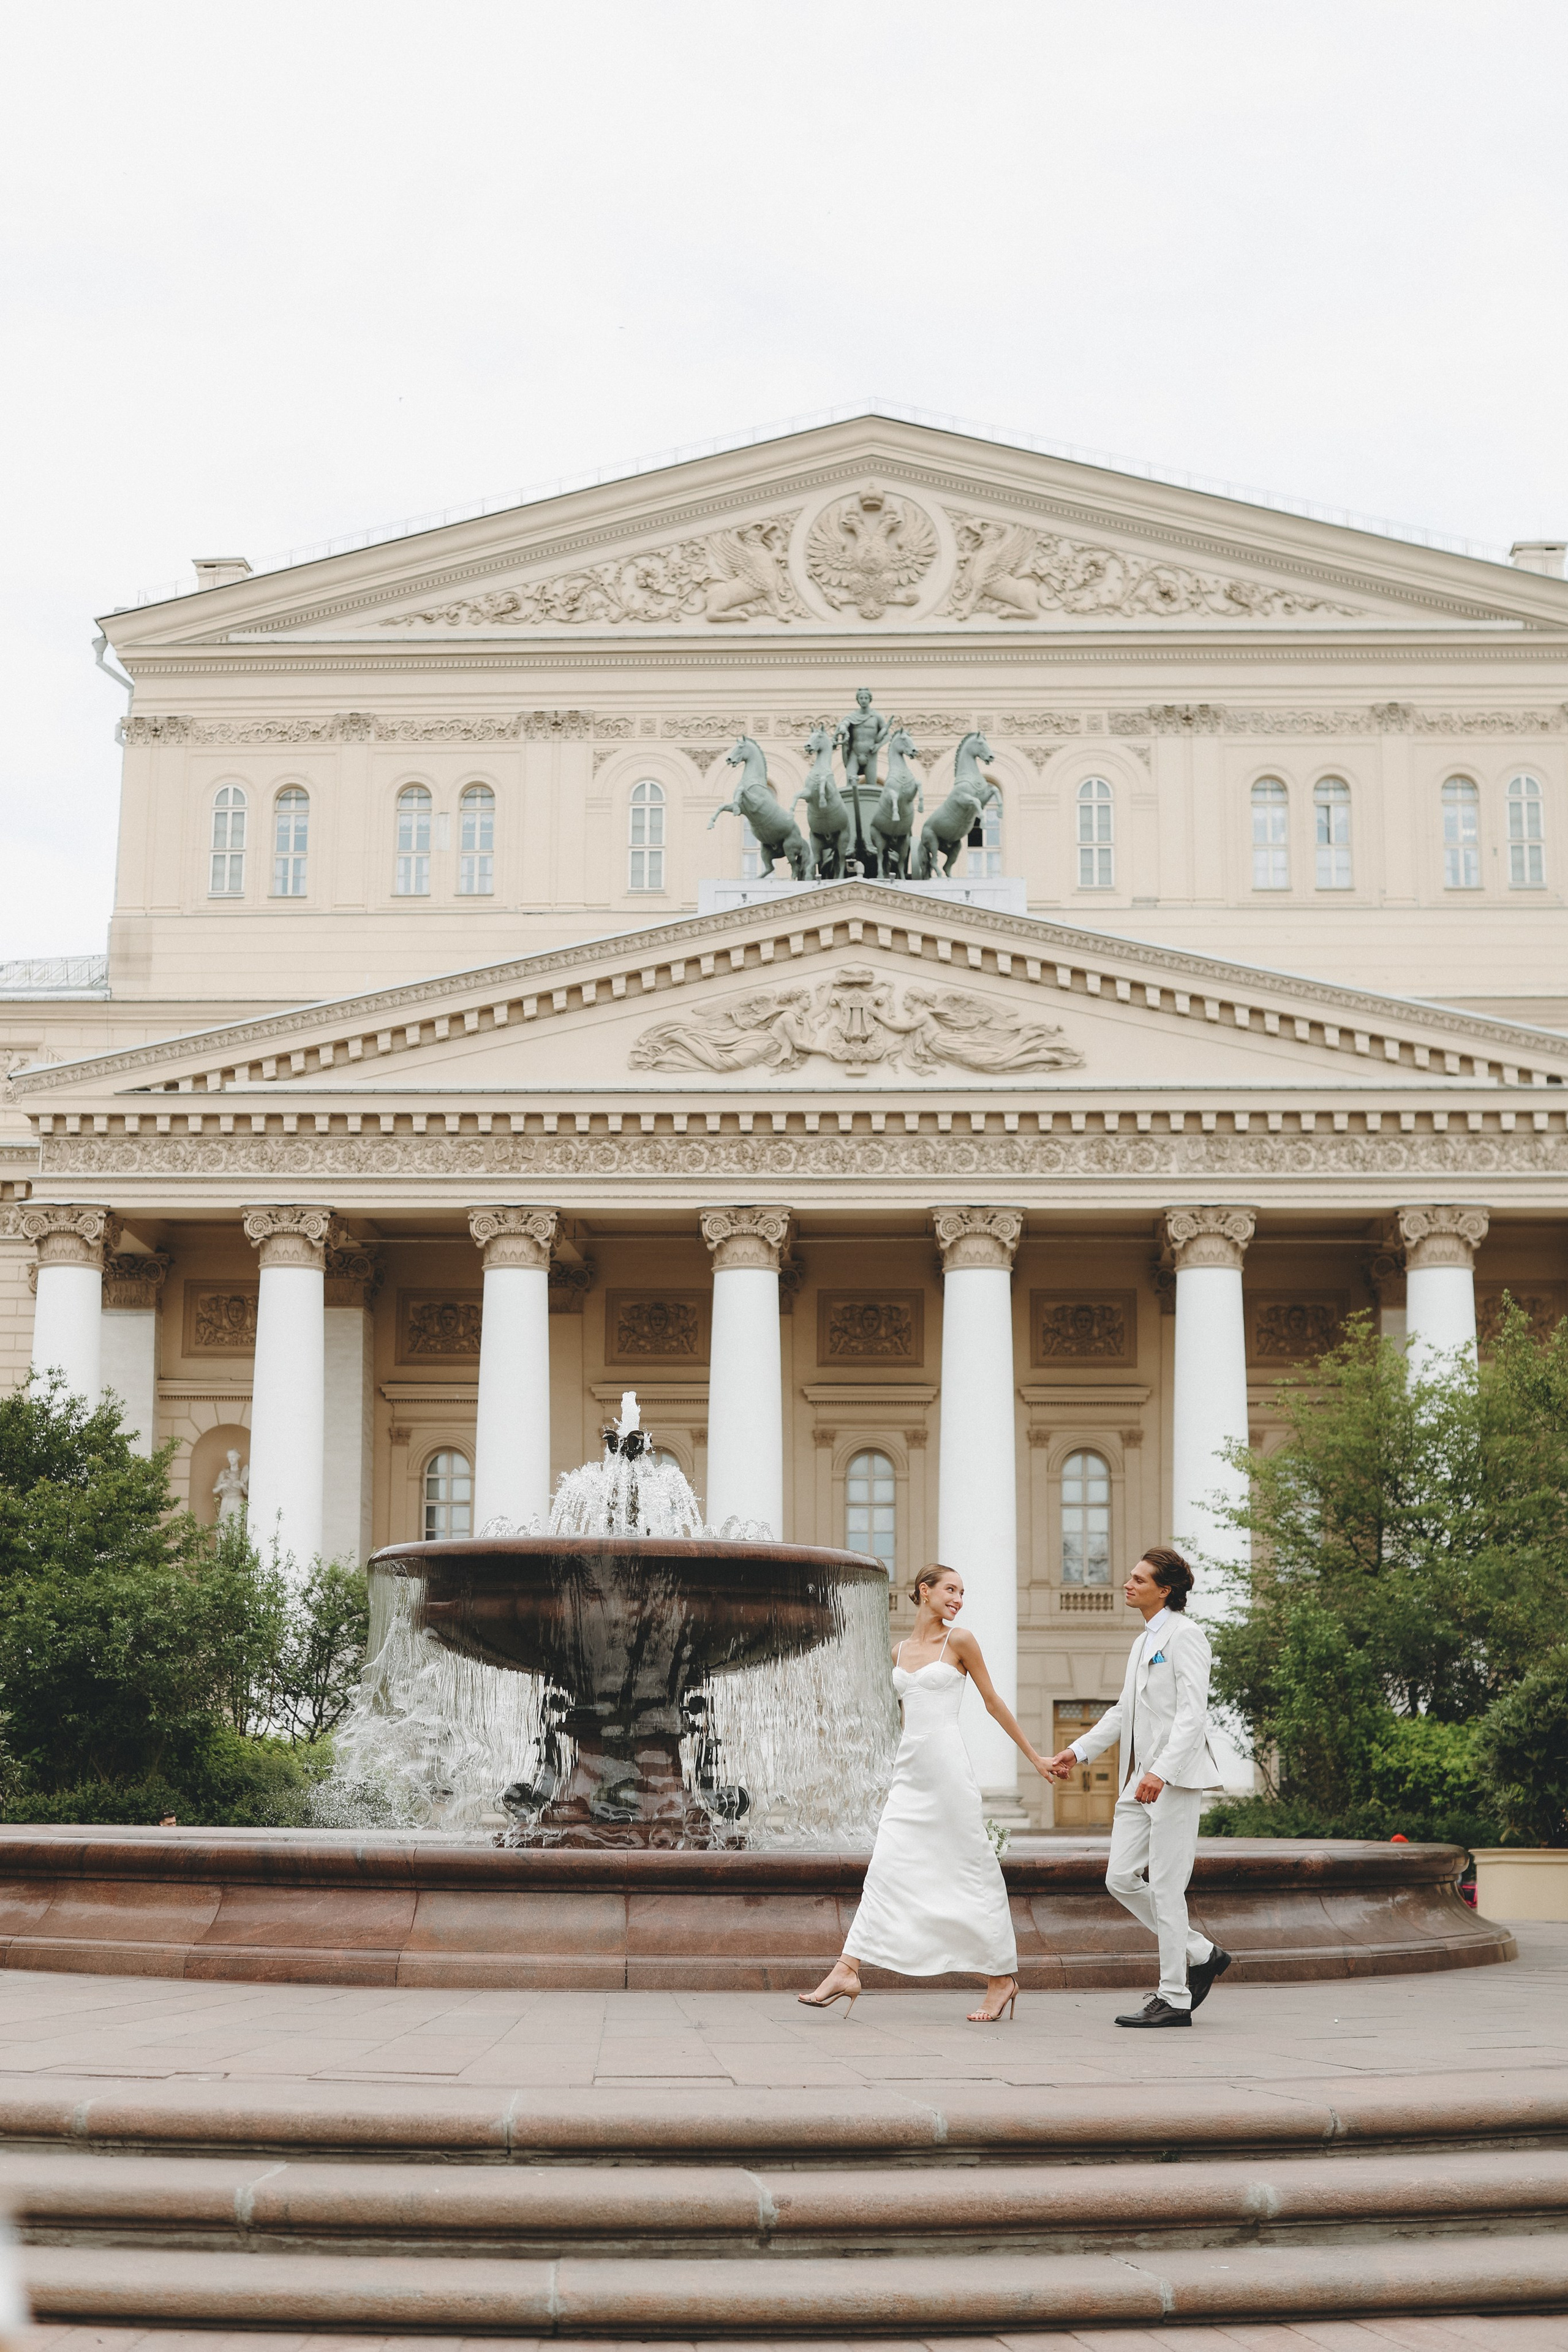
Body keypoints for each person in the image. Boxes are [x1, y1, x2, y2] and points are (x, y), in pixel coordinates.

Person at [799, 1561, 1055, 2024]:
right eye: (951, 1589)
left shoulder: (960, 1642)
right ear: (925, 1591)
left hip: (948, 1770)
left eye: (963, 1592)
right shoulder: (898, 1652)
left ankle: (1001, 1980)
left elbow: (993, 1702)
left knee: (969, 1869)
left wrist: (1035, 1758)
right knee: (886, 1865)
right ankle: (847, 1969)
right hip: (909, 1771)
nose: (958, 1598)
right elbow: (888, 1715)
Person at [1047, 1547, 1232, 2028]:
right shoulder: (1142, 1641)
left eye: (1138, 1579)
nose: (1127, 1584)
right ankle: (1202, 1951)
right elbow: (1124, 1711)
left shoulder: (1186, 1636)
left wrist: (1162, 1772)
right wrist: (1079, 1750)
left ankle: (1174, 1998)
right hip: (1140, 1779)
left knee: (1169, 1890)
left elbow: (1194, 1715)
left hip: (1171, 1779)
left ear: (1164, 1589)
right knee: (1120, 1877)